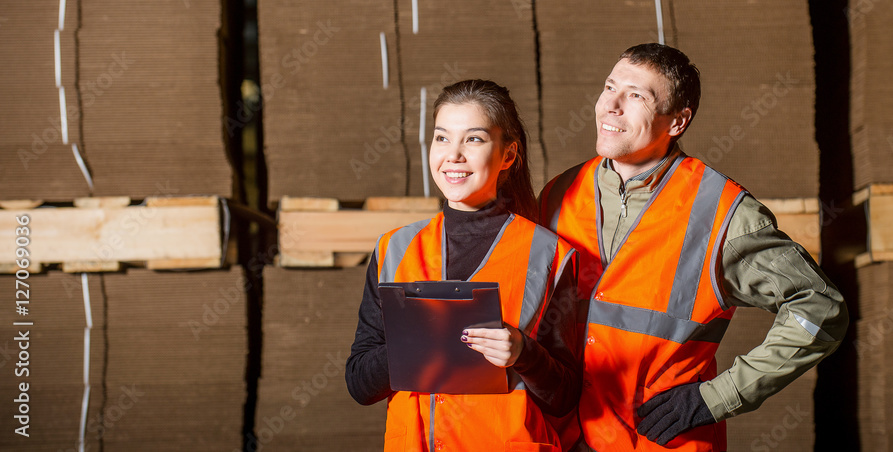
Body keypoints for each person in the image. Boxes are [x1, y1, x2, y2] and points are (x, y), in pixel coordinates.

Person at [538, 44, 848, 451]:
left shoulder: (722, 212)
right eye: (609, 87)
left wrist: (717, 398)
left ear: (678, 121)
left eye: (636, 96)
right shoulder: (558, 194)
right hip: (563, 439)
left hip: (656, 442)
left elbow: (820, 307)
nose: (610, 105)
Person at [347, 79, 581, 451]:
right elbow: (359, 383)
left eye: (473, 139)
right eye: (442, 138)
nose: (453, 155)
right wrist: (413, 344)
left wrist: (523, 352)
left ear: (508, 155)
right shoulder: (395, 248)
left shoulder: (549, 255)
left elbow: (565, 396)